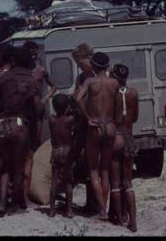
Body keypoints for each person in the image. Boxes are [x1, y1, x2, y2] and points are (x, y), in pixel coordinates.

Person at [0, 47, 42, 217]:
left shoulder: (3, 78)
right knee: (18, 168)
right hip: (20, 125)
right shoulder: (31, 80)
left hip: (3, 125)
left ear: (14, 61)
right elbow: (37, 108)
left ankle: (2, 203)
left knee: (5, 165)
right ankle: (14, 204)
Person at [75, 52, 118, 220]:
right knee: (105, 170)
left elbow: (78, 98)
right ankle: (105, 206)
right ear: (107, 66)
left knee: (93, 170)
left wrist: (87, 118)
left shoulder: (89, 81)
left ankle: (102, 211)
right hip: (110, 126)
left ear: (93, 66)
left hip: (95, 127)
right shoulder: (114, 83)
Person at [22, 40, 57, 205]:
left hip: (39, 111)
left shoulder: (41, 70)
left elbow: (54, 86)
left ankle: (32, 184)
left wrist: (45, 99)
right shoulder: (21, 71)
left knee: (35, 144)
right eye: (32, 53)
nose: (34, 56)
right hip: (23, 113)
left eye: (36, 53)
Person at [109, 64, 139, 232]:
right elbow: (135, 117)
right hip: (129, 137)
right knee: (128, 182)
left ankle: (120, 219)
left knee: (115, 182)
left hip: (116, 137)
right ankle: (133, 221)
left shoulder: (112, 94)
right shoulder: (134, 93)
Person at [70, 43, 98, 214]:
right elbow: (76, 95)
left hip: (94, 123)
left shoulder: (99, 76)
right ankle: (91, 203)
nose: (79, 66)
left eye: (80, 63)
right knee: (88, 164)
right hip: (84, 123)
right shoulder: (81, 78)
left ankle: (97, 206)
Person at [48, 93, 75, 218]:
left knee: (54, 180)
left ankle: (52, 210)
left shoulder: (51, 120)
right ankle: (69, 210)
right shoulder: (70, 120)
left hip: (55, 150)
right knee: (68, 182)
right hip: (67, 151)